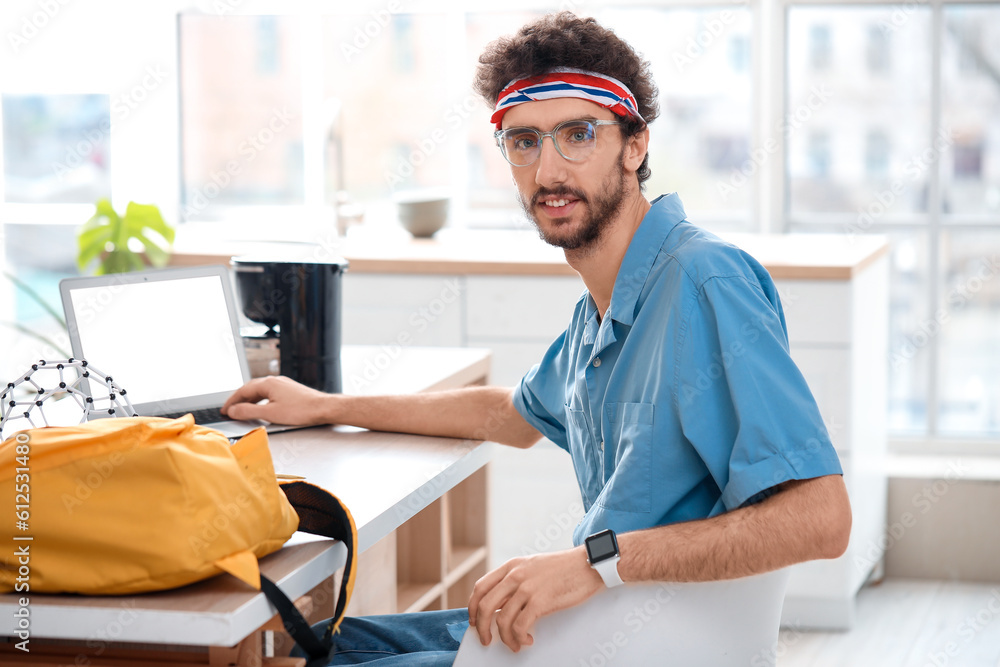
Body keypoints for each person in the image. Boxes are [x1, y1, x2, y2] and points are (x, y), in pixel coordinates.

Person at [222, 11, 851, 665]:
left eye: (577, 134)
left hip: (626, 635)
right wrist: (325, 405)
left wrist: (593, 562)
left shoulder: (703, 279)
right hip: (591, 617)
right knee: (312, 639)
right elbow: (512, 414)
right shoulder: (601, 311)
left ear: (634, 144)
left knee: (284, 653)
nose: (548, 168)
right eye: (523, 141)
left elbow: (822, 518)